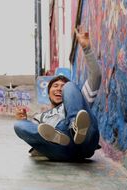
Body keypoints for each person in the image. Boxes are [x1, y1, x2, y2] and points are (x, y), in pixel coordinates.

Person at [14, 28, 102, 161]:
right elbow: (31, 134)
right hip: (60, 149)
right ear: (48, 93)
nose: (59, 89)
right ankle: (58, 137)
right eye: (55, 86)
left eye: (62, 86)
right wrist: (23, 120)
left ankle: (75, 127)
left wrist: (87, 49)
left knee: (71, 90)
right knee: (19, 126)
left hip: (86, 141)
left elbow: (96, 76)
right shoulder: (39, 117)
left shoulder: (81, 99)